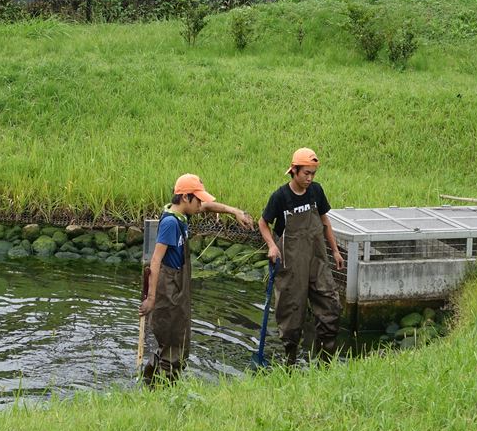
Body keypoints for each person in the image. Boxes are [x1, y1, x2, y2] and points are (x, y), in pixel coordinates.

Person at [138, 173, 254, 386]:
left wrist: (234, 211)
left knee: (178, 342)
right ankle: (160, 391)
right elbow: (155, 260)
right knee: (171, 343)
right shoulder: (170, 224)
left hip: (179, 286)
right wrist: (152, 298)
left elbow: (209, 206)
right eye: (197, 199)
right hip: (168, 288)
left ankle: (152, 383)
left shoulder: (183, 215)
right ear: (185, 198)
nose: (201, 204)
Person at [258, 147, 343, 365]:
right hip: (291, 264)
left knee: (330, 305)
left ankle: (326, 361)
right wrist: (271, 246)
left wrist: (334, 251)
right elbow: (263, 223)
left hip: (317, 260)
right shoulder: (280, 197)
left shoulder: (316, 191)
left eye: (313, 173)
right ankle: (291, 360)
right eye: (306, 173)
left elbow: (325, 222)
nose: (310, 178)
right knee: (291, 313)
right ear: (293, 171)